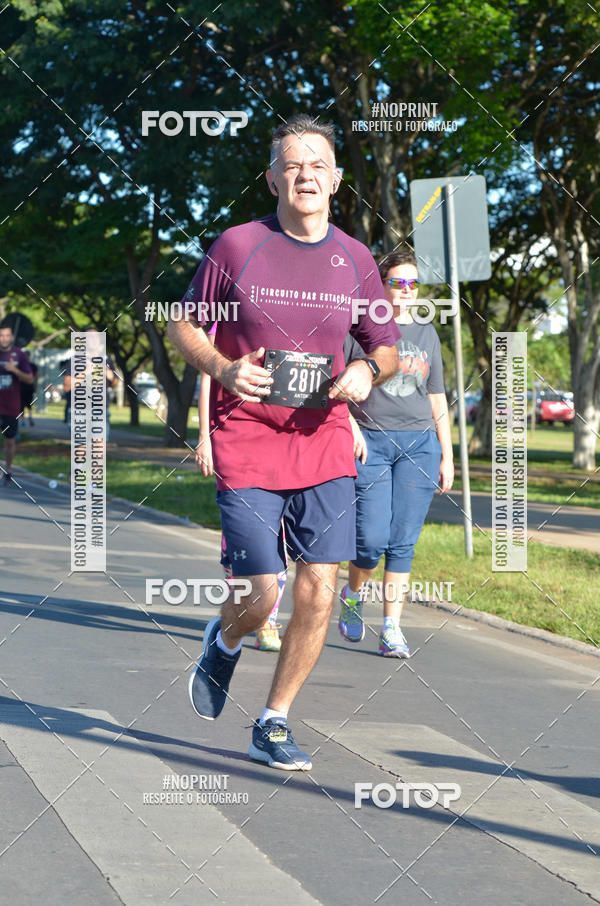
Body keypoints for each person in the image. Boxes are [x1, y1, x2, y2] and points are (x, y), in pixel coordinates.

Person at [168, 114, 399, 771]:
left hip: (322, 435)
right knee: (263, 590)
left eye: (317, 164)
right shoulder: (238, 247)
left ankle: (273, 721)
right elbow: (184, 324)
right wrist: (222, 368)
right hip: (246, 435)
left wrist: (365, 369)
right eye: (292, 165)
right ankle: (226, 637)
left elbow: (384, 347)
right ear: (272, 178)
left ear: (336, 179)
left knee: (320, 587)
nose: (306, 175)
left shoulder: (355, 260)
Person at [339, 250, 454, 657]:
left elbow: (437, 396)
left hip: (420, 445)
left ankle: (392, 628)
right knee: (370, 541)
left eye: (413, 284)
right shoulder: (359, 332)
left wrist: (447, 454)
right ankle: (353, 595)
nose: (406, 291)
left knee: (402, 542)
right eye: (397, 282)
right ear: (381, 285)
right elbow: (337, 390)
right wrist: (353, 430)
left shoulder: (427, 333)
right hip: (372, 443)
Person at [196, 322, 286, 653]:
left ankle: (268, 620)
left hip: (283, 440)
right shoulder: (223, 322)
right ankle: (244, 606)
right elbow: (206, 377)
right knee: (240, 537)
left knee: (281, 534)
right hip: (235, 439)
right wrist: (204, 437)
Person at [63, 328, 118, 439]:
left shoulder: (107, 359)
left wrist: (111, 377)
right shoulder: (75, 360)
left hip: (100, 408)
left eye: (96, 337)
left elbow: (115, 383)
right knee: (81, 448)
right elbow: (67, 387)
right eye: (89, 337)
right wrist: (85, 372)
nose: (93, 340)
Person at [0, 324, 33, 486]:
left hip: (11, 406)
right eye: (1, 335)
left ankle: (8, 470)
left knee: (10, 441)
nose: (4, 338)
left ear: (12, 337)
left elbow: (29, 379)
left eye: (7, 335)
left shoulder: (18, 355)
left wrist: (14, 370)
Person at [20, 359, 38, 426]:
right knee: (21, 405)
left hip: (29, 388)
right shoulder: (20, 366)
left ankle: (30, 417)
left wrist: (35, 386)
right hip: (21, 388)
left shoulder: (33, 366)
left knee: (29, 404)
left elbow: (36, 376)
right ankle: (23, 420)